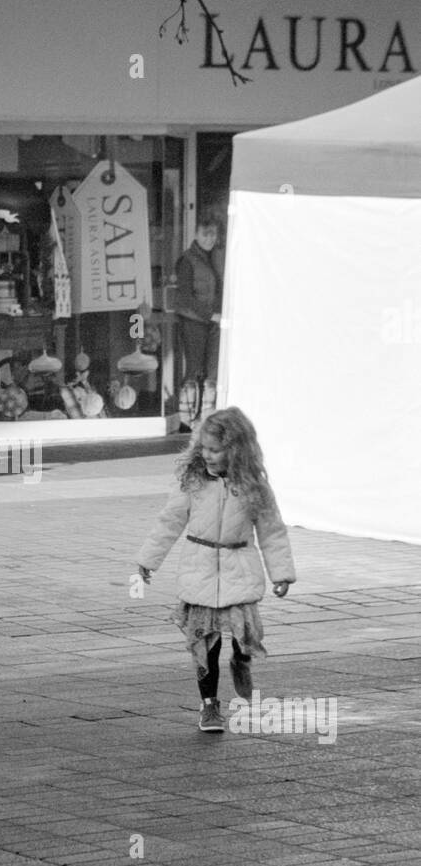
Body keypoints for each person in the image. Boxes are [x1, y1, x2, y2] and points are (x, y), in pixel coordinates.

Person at [135, 407, 296, 733]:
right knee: (205, 642)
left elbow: (272, 531)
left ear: (236, 449)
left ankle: (242, 660)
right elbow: (169, 521)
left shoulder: (255, 487)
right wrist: (147, 561)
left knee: (244, 633)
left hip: (240, 568)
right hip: (200, 569)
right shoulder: (192, 483)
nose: (206, 455)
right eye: (204, 448)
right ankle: (209, 705)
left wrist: (281, 572)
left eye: (215, 449)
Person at [174, 214, 222, 428]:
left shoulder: (213, 258)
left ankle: (205, 417)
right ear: (196, 234)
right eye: (205, 234)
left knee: (210, 369)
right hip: (193, 321)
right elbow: (185, 296)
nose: (209, 239)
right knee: (193, 369)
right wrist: (210, 314)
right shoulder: (187, 259)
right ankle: (187, 419)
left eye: (213, 234)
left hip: (210, 322)